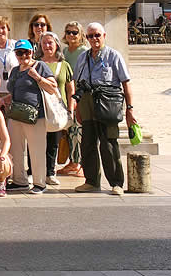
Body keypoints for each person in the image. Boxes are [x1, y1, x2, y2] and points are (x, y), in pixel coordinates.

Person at [71, 23, 135, 196]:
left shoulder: (114, 56)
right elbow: (77, 83)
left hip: (108, 101)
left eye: (97, 35)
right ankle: (91, 181)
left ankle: (116, 183)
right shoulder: (82, 58)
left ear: (104, 35)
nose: (94, 39)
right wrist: (77, 107)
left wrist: (129, 109)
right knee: (88, 143)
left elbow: (125, 83)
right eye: (90, 36)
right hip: (86, 101)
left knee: (109, 144)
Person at [7, 40, 57, 194]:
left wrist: (38, 78)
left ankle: (39, 183)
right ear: (15, 54)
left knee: (36, 150)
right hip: (16, 114)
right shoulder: (15, 70)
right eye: (19, 53)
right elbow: (12, 90)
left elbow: (53, 87)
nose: (23, 56)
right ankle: (19, 180)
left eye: (26, 52)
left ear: (32, 52)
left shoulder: (40, 66)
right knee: (15, 149)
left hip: (35, 115)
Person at [38, 31, 74, 186]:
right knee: (37, 142)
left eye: (50, 42)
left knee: (53, 142)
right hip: (39, 108)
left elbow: (70, 90)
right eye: (44, 43)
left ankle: (50, 172)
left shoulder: (64, 65)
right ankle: (35, 171)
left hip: (57, 109)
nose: (47, 46)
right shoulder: (36, 63)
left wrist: (70, 110)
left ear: (57, 44)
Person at [60, 21, 89, 176]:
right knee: (71, 131)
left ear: (80, 35)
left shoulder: (83, 51)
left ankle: (83, 163)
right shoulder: (64, 51)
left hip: (80, 95)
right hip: (67, 96)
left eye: (74, 32)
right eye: (68, 32)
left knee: (81, 131)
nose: (71, 35)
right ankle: (73, 161)